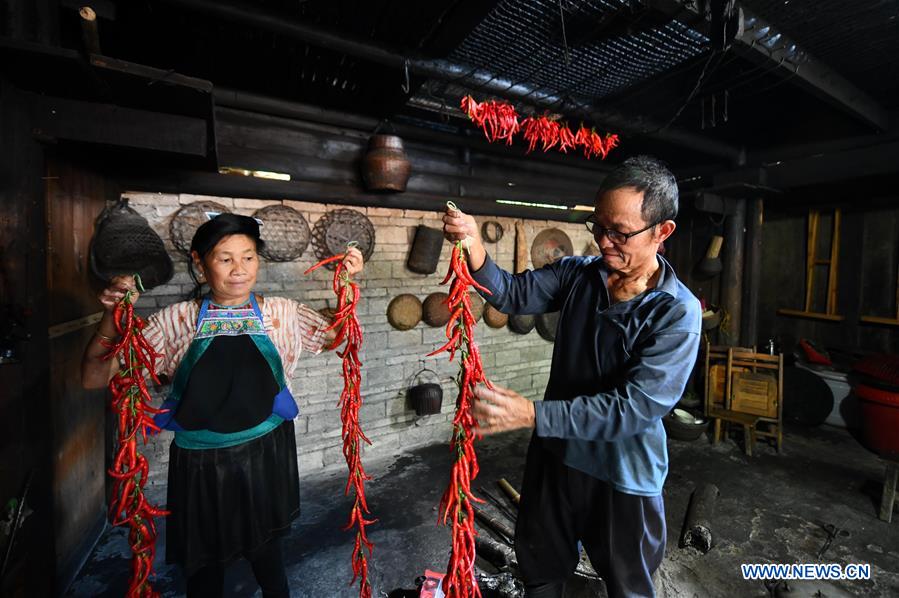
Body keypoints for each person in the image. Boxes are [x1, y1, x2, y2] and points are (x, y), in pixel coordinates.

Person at [442, 156, 701, 598]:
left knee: (628, 584)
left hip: (623, 475)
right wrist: (475, 247)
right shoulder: (579, 275)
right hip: (558, 458)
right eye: (597, 227)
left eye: (619, 232)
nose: (603, 242)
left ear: (663, 232)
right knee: (541, 568)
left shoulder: (676, 312)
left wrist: (532, 414)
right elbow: (510, 293)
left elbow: (635, 407)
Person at [82, 213, 364, 597]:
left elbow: (338, 338)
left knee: (268, 558)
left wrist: (348, 284)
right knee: (204, 570)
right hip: (202, 466)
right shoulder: (176, 322)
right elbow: (95, 376)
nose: (239, 270)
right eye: (225, 258)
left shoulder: (282, 313)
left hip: (268, 452)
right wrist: (111, 316)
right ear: (199, 263)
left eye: (248, 257)